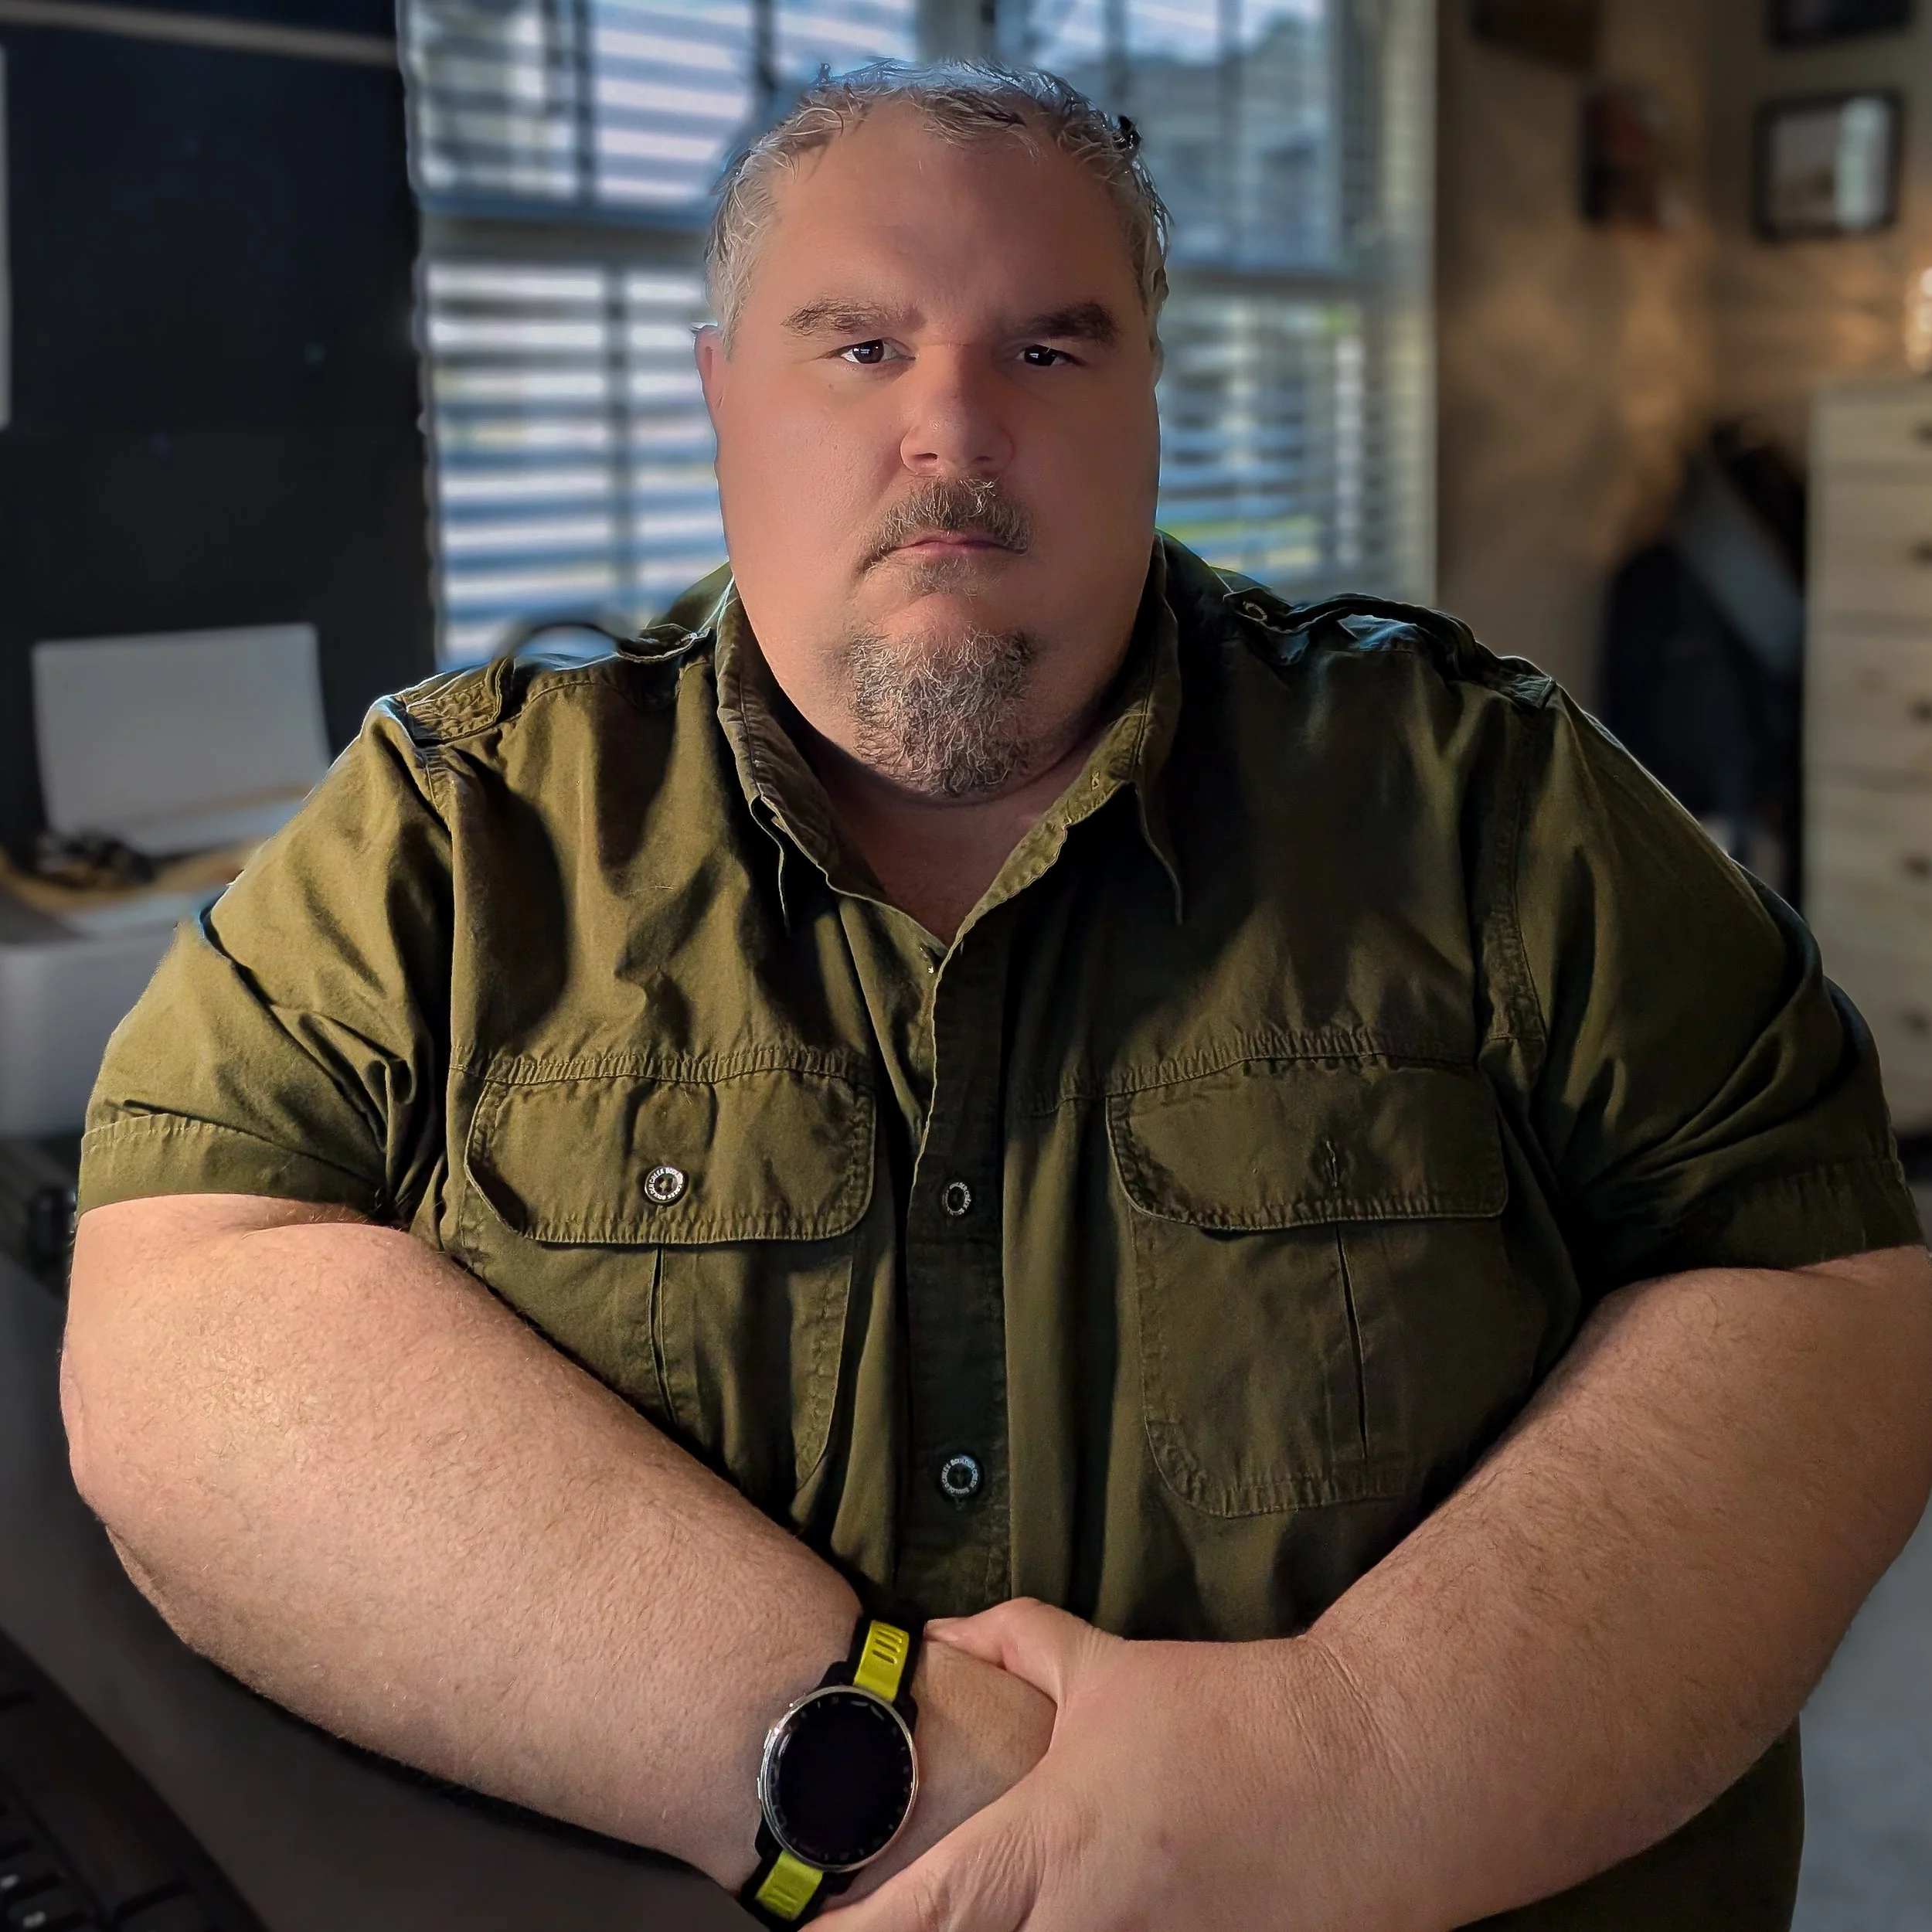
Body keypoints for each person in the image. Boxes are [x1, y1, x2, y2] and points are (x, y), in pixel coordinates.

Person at [60, 63, 1932, 1932]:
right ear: (724, 403)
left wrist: (1337, 1762)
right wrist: (878, 1753)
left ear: (1143, 401)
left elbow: (1818, 1278)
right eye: (859, 346)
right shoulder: (456, 832)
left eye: (1049, 351)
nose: (950, 426)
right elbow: (184, 1305)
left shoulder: (1481, 796)